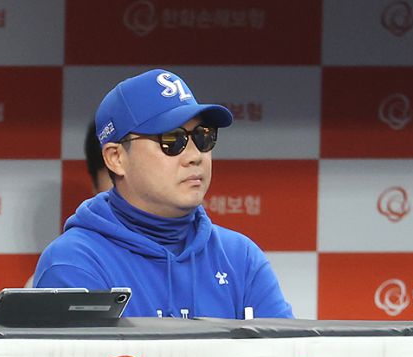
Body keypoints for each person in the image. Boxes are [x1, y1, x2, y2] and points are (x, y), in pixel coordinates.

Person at [34, 69, 294, 319]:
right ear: (116, 158)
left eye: (203, 137)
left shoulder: (240, 257)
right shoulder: (75, 261)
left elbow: (285, 350)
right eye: (172, 140)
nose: (195, 156)